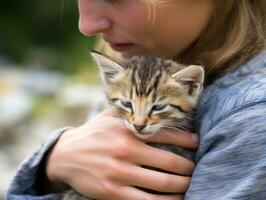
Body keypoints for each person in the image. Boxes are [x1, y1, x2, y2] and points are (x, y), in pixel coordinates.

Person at [7, 0, 266, 199]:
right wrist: (51, 164)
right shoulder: (135, 66)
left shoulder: (252, 120)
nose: (85, 25)